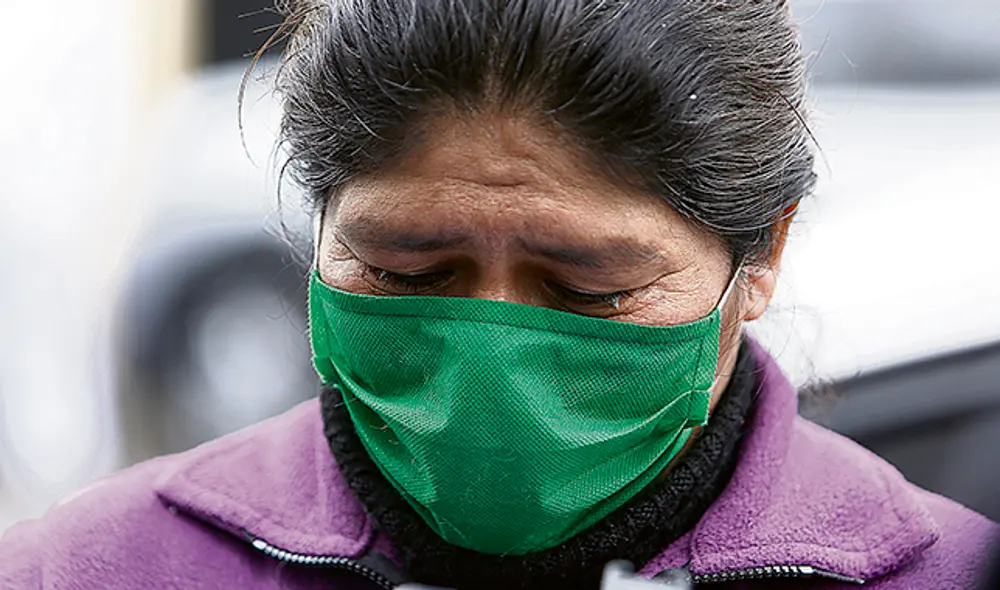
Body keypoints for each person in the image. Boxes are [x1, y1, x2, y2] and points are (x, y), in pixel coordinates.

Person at [2, 1, 996, 588]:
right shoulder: (88, 571)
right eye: (405, 271)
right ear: (318, 225)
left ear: (763, 253)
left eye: (589, 287)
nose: (491, 356)